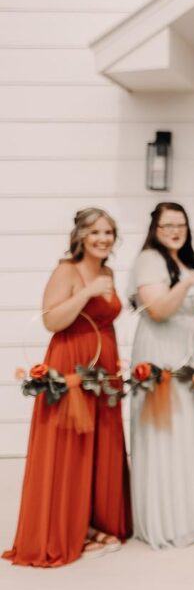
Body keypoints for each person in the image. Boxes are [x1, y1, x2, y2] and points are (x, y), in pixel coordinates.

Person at [4, 208, 132, 566]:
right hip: (70, 359)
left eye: (109, 232)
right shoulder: (67, 270)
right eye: (95, 233)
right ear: (80, 237)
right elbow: (51, 319)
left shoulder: (107, 270)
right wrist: (88, 291)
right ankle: (66, 527)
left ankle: (93, 521)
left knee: (100, 444)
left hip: (103, 365)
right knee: (70, 445)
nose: (103, 239)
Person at [128, 202, 194, 548]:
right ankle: (168, 522)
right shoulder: (150, 259)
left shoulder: (183, 261)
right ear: (155, 229)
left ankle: (190, 516)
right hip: (164, 356)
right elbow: (159, 310)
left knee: (187, 437)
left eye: (181, 225)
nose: (175, 231)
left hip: (190, 360)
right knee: (167, 438)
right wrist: (191, 282)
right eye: (167, 226)